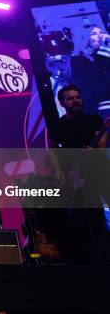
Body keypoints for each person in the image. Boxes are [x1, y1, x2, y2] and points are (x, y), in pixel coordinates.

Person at [47, 84, 110, 264]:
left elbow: (102, 142)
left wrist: (96, 149)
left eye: (77, 97)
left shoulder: (94, 120)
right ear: (62, 102)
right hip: (80, 179)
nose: (76, 101)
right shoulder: (57, 126)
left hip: (101, 171)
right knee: (94, 221)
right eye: (70, 98)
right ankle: (102, 260)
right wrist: (59, 171)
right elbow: (51, 150)